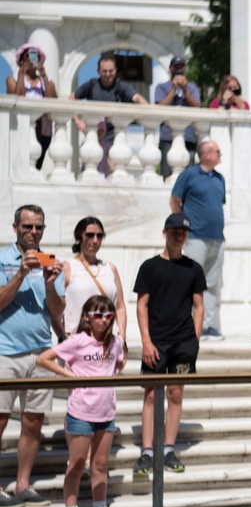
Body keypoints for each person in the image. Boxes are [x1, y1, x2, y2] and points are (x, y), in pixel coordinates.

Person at [35, 295, 125, 507]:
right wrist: (70, 376)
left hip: (106, 412)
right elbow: (43, 359)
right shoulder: (78, 341)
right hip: (80, 412)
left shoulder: (115, 342)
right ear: (87, 317)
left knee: (101, 464)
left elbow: (119, 364)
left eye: (108, 316)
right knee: (76, 464)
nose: (103, 320)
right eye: (97, 315)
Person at [132, 213, 206, 477]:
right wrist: (146, 341)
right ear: (165, 233)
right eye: (174, 231)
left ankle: (168, 449)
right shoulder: (150, 267)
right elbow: (141, 306)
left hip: (183, 342)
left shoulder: (194, 269)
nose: (179, 236)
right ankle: (148, 451)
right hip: (157, 341)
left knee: (176, 393)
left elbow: (199, 307)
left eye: (183, 232)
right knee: (151, 394)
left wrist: (194, 340)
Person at [0, 204, 64, 507]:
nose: (33, 232)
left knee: (33, 421)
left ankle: (23, 484)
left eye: (39, 227)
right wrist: (22, 273)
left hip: (40, 353)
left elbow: (57, 311)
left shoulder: (48, 261)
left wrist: (51, 284)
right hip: (5, 351)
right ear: (15, 228)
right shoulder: (2, 258)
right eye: (27, 227)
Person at [171, 139, 226, 341]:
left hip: (217, 239)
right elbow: (175, 201)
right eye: (218, 151)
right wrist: (182, 228)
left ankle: (209, 326)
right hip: (195, 238)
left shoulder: (220, 178)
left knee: (212, 284)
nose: (220, 155)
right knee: (190, 283)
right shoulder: (189, 175)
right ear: (206, 154)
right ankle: (188, 325)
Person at [69, 54, 149, 177]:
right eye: (104, 71)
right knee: (89, 174)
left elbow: (137, 98)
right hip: (93, 138)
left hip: (114, 140)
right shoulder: (91, 85)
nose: (107, 74)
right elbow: (71, 99)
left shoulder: (120, 86)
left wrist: (150, 112)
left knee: (114, 175)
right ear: (98, 71)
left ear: (116, 71)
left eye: (111, 71)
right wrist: (78, 122)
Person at [62, 217, 127, 340]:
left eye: (99, 236)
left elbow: (120, 306)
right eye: (90, 235)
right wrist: (63, 337)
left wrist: (122, 338)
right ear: (79, 237)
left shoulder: (110, 269)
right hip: (78, 341)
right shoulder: (67, 267)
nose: (95, 240)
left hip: (109, 341)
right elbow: (56, 308)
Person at [6, 43, 57, 170]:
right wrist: (22, 74)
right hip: (20, 128)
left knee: (37, 165)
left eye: (34, 56)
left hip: (43, 130)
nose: (31, 60)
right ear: (22, 59)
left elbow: (53, 101)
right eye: (27, 56)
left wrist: (43, 76)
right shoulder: (12, 79)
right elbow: (18, 97)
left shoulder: (47, 80)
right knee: (20, 164)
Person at [155, 55, 202, 178]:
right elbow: (160, 107)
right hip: (167, 137)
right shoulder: (162, 87)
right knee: (167, 174)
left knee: (188, 176)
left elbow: (197, 107)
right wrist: (173, 89)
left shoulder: (192, 88)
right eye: (176, 67)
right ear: (170, 69)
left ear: (185, 68)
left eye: (181, 66)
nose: (179, 70)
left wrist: (184, 89)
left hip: (188, 137)